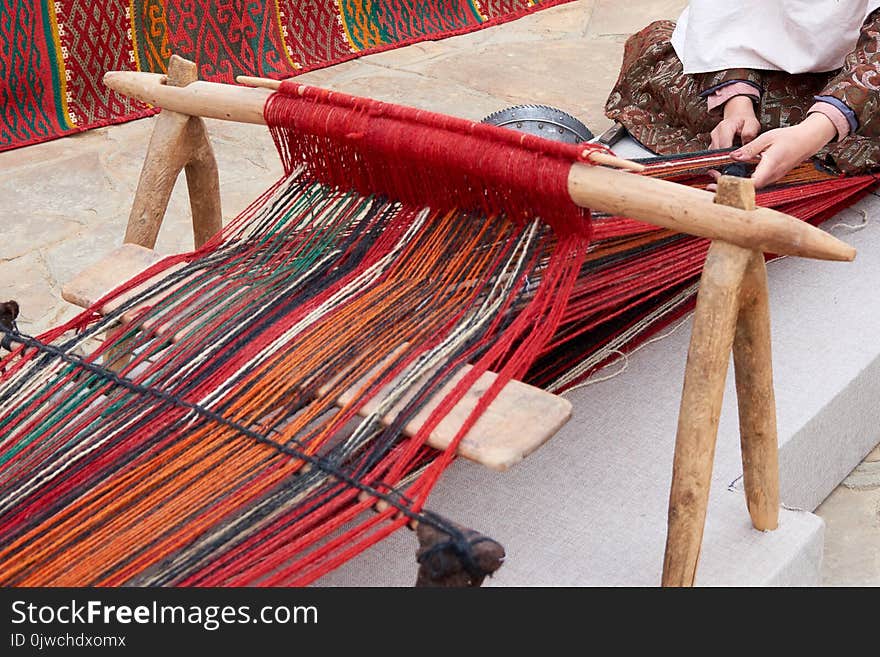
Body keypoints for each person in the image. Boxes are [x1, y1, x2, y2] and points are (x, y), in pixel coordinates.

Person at [605, 1, 880, 188]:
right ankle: (770, 139)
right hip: (766, 67)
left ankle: (797, 142)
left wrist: (813, 132)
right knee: (656, 55)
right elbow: (727, 13)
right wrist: (737, 104)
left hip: (857, 70)